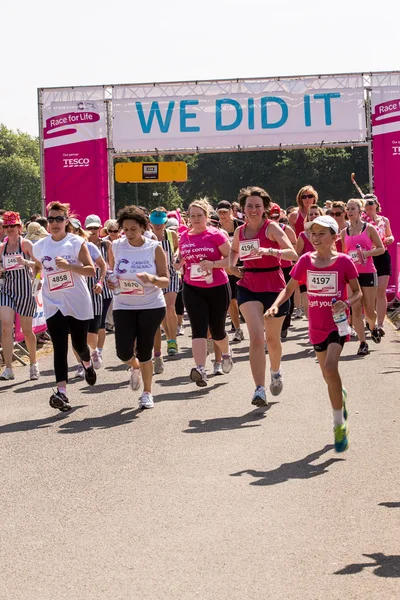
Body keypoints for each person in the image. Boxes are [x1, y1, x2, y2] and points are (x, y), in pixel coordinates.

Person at [265, 215, 362, 452]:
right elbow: (289, 288)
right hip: (315, 326)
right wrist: (276, 304)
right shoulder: (306, 261)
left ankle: (339, 425)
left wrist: (347, 303)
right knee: (327, 376)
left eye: (321, 234)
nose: (316, 238)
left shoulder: (344, 262)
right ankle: (340, 393)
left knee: (330, 369)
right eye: (313, 234)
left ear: (334, 237)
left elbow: (358, 293)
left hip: (337, 325)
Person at [229, 187, 297, 407]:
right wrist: (232, 266)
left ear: (265, 208)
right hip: (248, 284)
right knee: (257, 338)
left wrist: (272, 252)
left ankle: (275, 372)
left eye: (258, 206)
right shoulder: (240, 232)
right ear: (243, 209)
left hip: (273, 286)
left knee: (272, 340)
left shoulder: (272, 228)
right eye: (249, 206)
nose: (253, 209)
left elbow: (293, 254)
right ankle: (259, 389)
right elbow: (234, 251)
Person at [32, 202, 97, 411]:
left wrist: (69, 266)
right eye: (50, 219)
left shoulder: (76, 242)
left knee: (79, 346)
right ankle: (62, 392)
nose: (54, 223)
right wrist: (38, 279)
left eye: (59, 219)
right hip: (53, 303)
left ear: (66, 221)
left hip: (77, 301)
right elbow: (39, 267)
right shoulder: (40, 246)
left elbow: (91, 270)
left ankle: (87, 364)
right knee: (59, 347)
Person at [108, 205, 168, 409]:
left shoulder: (153, 247)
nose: (129, 233)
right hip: (123, 304)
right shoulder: (115, 246)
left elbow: (165, 281)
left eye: (133, 229)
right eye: (125, 229)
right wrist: (111, 281)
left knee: (144, 351)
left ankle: (147, 393)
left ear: (143, 227)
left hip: (151, 305)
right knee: (123, 352)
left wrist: (151, 278)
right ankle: (134, 368)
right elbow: (111, 272)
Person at [175, 198, 233, 387]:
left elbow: (231, 259)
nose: (196, 219)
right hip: (192, 287)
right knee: (198, 329)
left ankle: (225, 353)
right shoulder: (184, 236)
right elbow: (181, 256)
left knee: (217, 331)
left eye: (199, 215)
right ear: (188, 218)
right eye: (192, 216)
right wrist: (178, 262)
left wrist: (214, 264)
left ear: (207, 217)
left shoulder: (216, 234)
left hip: (217, 286)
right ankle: (200, 369)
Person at [0, 211, 41, 381]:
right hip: (7, 290)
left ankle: (33, 363)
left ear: (19, 227)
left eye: (12, 226)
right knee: (6, 326)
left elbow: (39, 265)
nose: (9, 229)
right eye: (6, 226)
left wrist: (27, 264)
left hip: (25, 290)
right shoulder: (2, 248)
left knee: (27, 331)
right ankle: (8, 368)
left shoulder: (26, 245)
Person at [341, 198, 385, 355]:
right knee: (356, 310)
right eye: (348, 209)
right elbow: (344, 254)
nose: (350, 211)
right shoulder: (343, 233)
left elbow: (381, 249)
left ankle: (372, 327)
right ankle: (362, 343)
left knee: (369, 312)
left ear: (360, 211)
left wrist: (366, 253)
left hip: (367, 272)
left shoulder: (369, 228)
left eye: (353, 208)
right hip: (351, 275)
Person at [149, 207, 180, 368]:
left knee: (169, 308)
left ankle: (172, 341)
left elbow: (177, 248)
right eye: (155, 223)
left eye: (160, 223)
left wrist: (176, 256)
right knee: (160, 313)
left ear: (165, 223)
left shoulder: (171, 234)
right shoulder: (147, 237)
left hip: (172, 275)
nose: (158, 226)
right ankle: (167, 335)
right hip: (155, 277)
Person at [362, 194, 395, 336]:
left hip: (383, 256)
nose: (370, 205)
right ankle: (370, 320)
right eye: (367, 203)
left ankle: (380, 324)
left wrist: (390, 239)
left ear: (376, 204)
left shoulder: (384, 220)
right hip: (369, 256)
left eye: (372, 202)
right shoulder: (362, 221)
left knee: (381, 291)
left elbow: (391, 236)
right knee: (370, 293)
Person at [83, 215, 113, 366]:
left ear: (100, 228)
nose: (93, 231)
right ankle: (90, 350)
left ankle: (98, 351)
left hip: (104, 288)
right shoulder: (81, 244)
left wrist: (106, 277)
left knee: (100, 323)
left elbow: (110, 264)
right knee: (87, 323)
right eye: (89, 228)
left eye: (95, 228)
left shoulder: (106, 244)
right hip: (85, 288)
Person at [216, 200, 245, 342]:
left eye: (225, 212)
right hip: (226, 269)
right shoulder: (215, 228)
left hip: (243, 267)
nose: (222, 215)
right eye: (220, 212)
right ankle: (238, 329)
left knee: (243, 300)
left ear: (231, 212)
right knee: (231, 301)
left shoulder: (240, 226)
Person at [295, 205, 324, 319]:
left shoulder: (328, 233)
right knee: (307, 304)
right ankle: (312, 327)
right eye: (310, 214)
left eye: (316, 214)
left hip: (324, 272)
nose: (313, 216)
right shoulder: (303, 235)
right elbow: (297, 254)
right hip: (307, 275)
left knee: (322, 303)